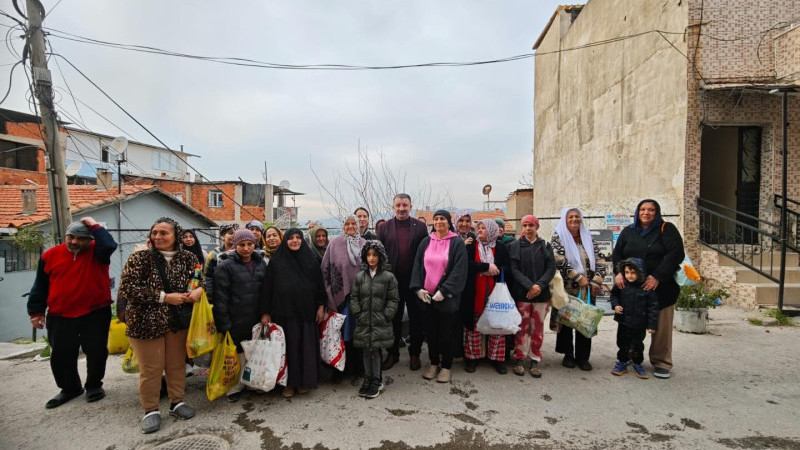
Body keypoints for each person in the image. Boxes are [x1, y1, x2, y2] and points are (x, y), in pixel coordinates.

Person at [118, 217, 203, 433]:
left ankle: (177, 402)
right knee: (151, 369)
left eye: (164, 233)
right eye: (155, 232)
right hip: (145, 323)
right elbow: (128, 289)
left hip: (176, 322)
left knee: (176, 365)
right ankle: (151, 410)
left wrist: (198, 290)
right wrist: (164, 297)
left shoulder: (188, 257)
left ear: (176, 236)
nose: (158, 237)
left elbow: (197, 279)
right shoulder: (139, 259)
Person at [27, 217, 117, 409]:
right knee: (61, 354)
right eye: (71, 237)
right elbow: (40, 286)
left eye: (80, 238)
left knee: (96, 351)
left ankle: (94, 385)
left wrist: (94, 224)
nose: (74, 241)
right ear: (66, 236)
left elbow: (109, 243)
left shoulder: (98, 253)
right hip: (60, 314)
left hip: (95, 311)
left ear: (90, 240)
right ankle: (70, 388)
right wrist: (36, 312)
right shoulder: (50, 255)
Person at [612, 199, 685, 379]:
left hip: (661, 288)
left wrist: (657, 276)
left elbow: (676, 253)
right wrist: (618, 273)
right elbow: (617, 255)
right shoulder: (629, 231)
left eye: (651, 210)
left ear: (657, 212)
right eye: (643, 209)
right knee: (629, 324)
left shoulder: (666, 229)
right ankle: (630, 354)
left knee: (661, 327)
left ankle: (661, 362)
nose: (646, 213)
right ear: (637, 212)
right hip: (631, 290)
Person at [260, 228, 326, 398]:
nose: (295, 241)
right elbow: (267, 289)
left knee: (305, 349)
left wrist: (321, 306)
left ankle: (304, 382)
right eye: (291, 238)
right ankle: (288, 384)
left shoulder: (311, 260)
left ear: (303, 240)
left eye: (298, 238)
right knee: (288, 350)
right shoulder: (277, 262)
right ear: (286, 240)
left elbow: (320, 287)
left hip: (306, 313)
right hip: (284, 314)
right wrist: (265, 312)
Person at [410, 210, 468, 383]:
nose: (439, 221)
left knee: (447, 333)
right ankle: (434, 363)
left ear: (449, 222)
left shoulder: (456, 242)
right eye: (436, 219)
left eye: (442, 218)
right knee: (431, 332)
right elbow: (418, 265)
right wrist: (418, 289)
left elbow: (459, 270)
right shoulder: (426, 242)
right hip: (427, 298)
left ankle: (446, 366)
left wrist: (444, 291)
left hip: (446, 298)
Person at [213, 229, 268, 401]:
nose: (246, 248)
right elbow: (220, 297)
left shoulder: (261, 264)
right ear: (235, 245)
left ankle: (252, 382)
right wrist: (224, 323)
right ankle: (235, 386)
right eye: (242, 245)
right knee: (237, 354)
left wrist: (266, 313)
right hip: (235, 317)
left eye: (250, 244)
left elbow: (267, 290)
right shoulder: (225, 266)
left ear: (255, 244)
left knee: (254, 351)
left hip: (255, 316)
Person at [377, 194, 429, 371]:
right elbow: (378, 255)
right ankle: (393, 354)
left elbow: (425, 256)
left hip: (415, 281)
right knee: (393, 319)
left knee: (417, 319)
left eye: (405, 205)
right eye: (398, 205)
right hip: (393, 282)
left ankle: (415, 353)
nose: (401, 208)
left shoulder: (421, 227)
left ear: (410, 206)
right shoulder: (384, 228)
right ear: (393, 207)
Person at [551, 207, 606, 371]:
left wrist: (596, 282)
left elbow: (601, 261)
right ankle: (568, 355)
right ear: (564, 220)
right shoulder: (558, 237)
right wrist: (579, 278)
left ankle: (583, 357)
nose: (574, 220)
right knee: (567, 321)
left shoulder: (588, 237)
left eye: (577, 217)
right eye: (570, 217)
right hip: (566, 288)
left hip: (588, 289)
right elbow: (559, 260)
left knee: (585, 321)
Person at [350, 241, 399, 398]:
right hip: (364, 320)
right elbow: (354, 296)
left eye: (375, 255)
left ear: (381, 256)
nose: (371, 258)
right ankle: (367, 378)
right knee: (366, 349)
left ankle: (376, 380)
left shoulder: (388, 277)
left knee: (376, 350)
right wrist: (357, 312)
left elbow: (393, 299)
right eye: (368, 255)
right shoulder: (360, 277)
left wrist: (386, 315)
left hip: (380, 320)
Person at [461, 219, 511, 375]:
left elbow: (508, 268)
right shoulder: (471, 245)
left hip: (495, 292)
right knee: (474, 327)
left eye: (484, 228)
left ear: (492, 230)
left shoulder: (501, 247)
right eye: (479, 228)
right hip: (474, 292)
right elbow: (466, 265)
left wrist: (494, 270)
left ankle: (497, 359)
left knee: (496, 326)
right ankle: (472, 358)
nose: (480, 230)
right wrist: (485, 267)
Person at [508, 215, 555, 378]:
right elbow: (514, 270)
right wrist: (529, 286)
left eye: (531, 225)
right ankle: (520, 358)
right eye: (525, 225)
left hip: (541, 296)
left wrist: (539, 286)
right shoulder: (515, 246)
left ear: (537, 227)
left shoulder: (545, 245)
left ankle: (535, 359)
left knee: (537, 328)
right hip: (522, 294)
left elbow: (551, 268)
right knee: (522, 328)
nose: (528, 228)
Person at [321, 216, 366, 380]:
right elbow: (325, 270)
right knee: (343, 334)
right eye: (347, 223)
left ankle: (358, 368)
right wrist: (329, 296)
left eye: (354, 223)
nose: (350, 226)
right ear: (343, 226)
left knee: (359, 334)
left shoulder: (364, 244)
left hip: (361, 297)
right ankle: (342, 368)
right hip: (342, 297)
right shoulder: (334, 244)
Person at [610, 258, 659, 379]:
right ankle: (622, 362)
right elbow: (614, 295)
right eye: (626, 272)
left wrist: (652, 325)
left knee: (637, 344)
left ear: (640, 272)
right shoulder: (622, 285)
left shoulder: (646, 288)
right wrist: (615, 305)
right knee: (622, 342)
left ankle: (638, 363)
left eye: (633, 272)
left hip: (639, 323)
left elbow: (653, 307)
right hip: (624, 321)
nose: (629, 275)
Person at [203, 223, 238, 304]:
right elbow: (208, 277)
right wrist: (210, 298)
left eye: (236, 233)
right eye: (231, 233)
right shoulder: (214, 254)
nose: (234, 235)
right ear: (222, 236)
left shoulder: (242, 253)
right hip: (219, 298)